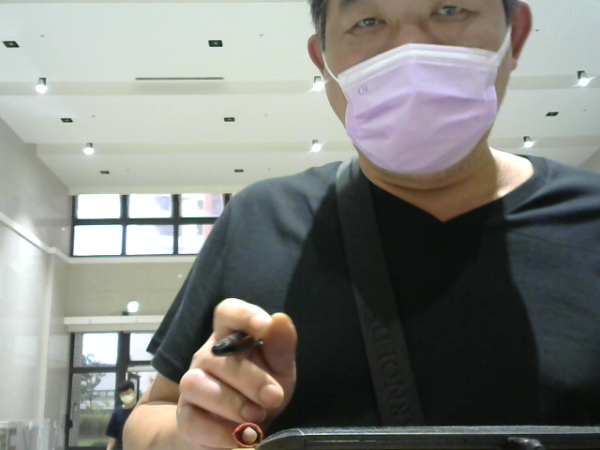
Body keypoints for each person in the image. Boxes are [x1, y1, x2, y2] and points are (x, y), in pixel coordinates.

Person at [124, 0, 600, 449]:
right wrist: (200, 429)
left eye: (450, 9)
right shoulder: (261, 218)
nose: (409, 51)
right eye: (367, 21)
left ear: (515, 35)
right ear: (323, 59)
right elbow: (149, 419)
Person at [106, 381, 137, 450]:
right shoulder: (117, 413)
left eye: (128, 393)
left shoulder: (141, 410)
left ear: (134, 393)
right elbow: (113, 436)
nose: (125, 396)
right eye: (123, 394)